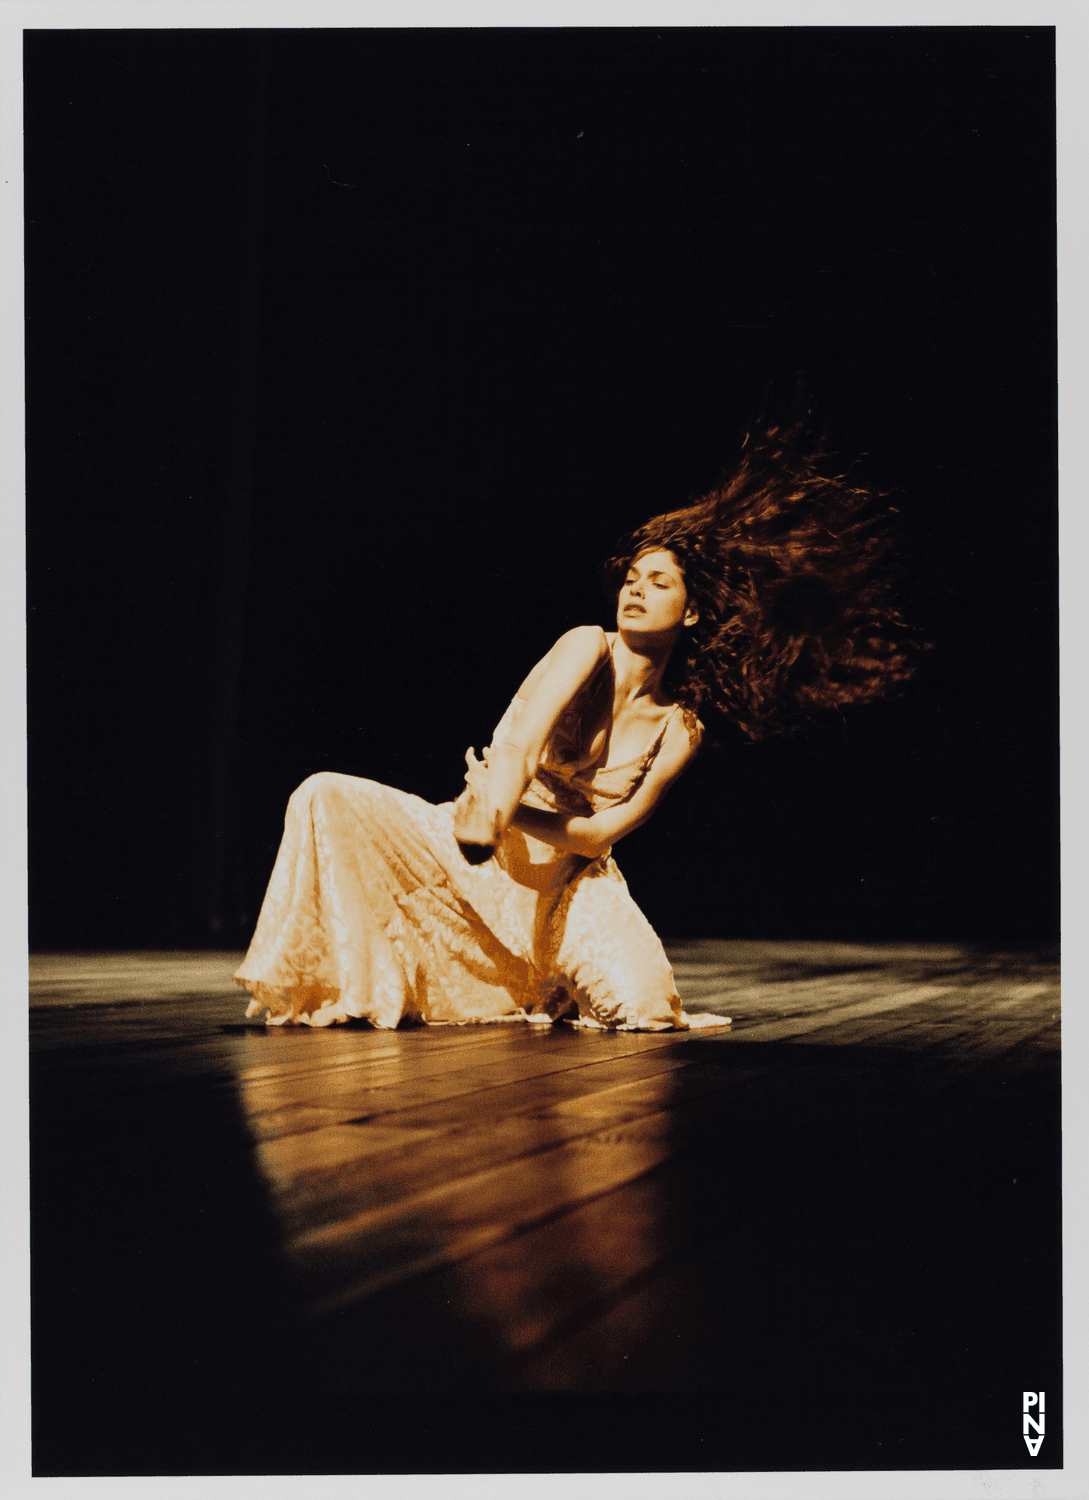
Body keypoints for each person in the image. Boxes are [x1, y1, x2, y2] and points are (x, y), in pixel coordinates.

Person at [235, 404, 918, 1031]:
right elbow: (522, 745)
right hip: (471, 843)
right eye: (631, 578)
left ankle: (539, 979)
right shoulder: (584, 645)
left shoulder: (681, 725)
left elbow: (596, 836)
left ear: (690, 613)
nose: (635, 590)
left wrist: (510, 815)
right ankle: (391, 983)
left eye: (658, 583)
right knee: (325, 793)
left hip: (563, 885)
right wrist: (491, 803)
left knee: (645, 1008)